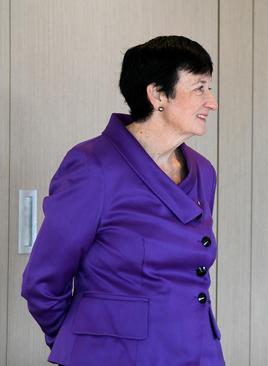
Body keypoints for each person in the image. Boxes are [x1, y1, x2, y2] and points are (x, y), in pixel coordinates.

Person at [21, 35, 224, 366]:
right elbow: (43, 283)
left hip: (197, 351)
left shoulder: (203, 171)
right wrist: (83, 342)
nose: (212, 101)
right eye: (199, 88)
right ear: (158, 94)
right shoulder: (92, 165)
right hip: (116, 356)